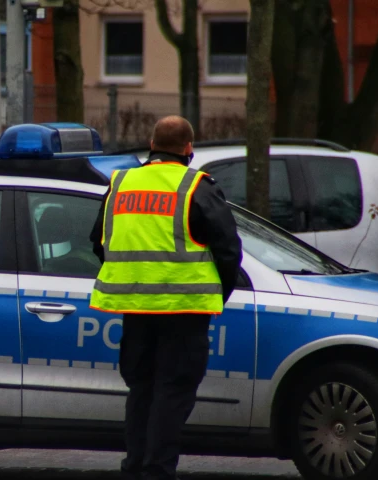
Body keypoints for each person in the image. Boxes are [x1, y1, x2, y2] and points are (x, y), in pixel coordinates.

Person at [88, 115, 242, 480]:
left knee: (141, 390)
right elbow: (228, 251)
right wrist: (218, 293)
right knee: (172, 394)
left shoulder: (121, 183)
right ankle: (156, 472)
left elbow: (99, 241)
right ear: (189, 148)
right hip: (184, 312)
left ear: (150, 143)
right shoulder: (196, 187)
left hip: (134, 309)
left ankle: (135, 467)